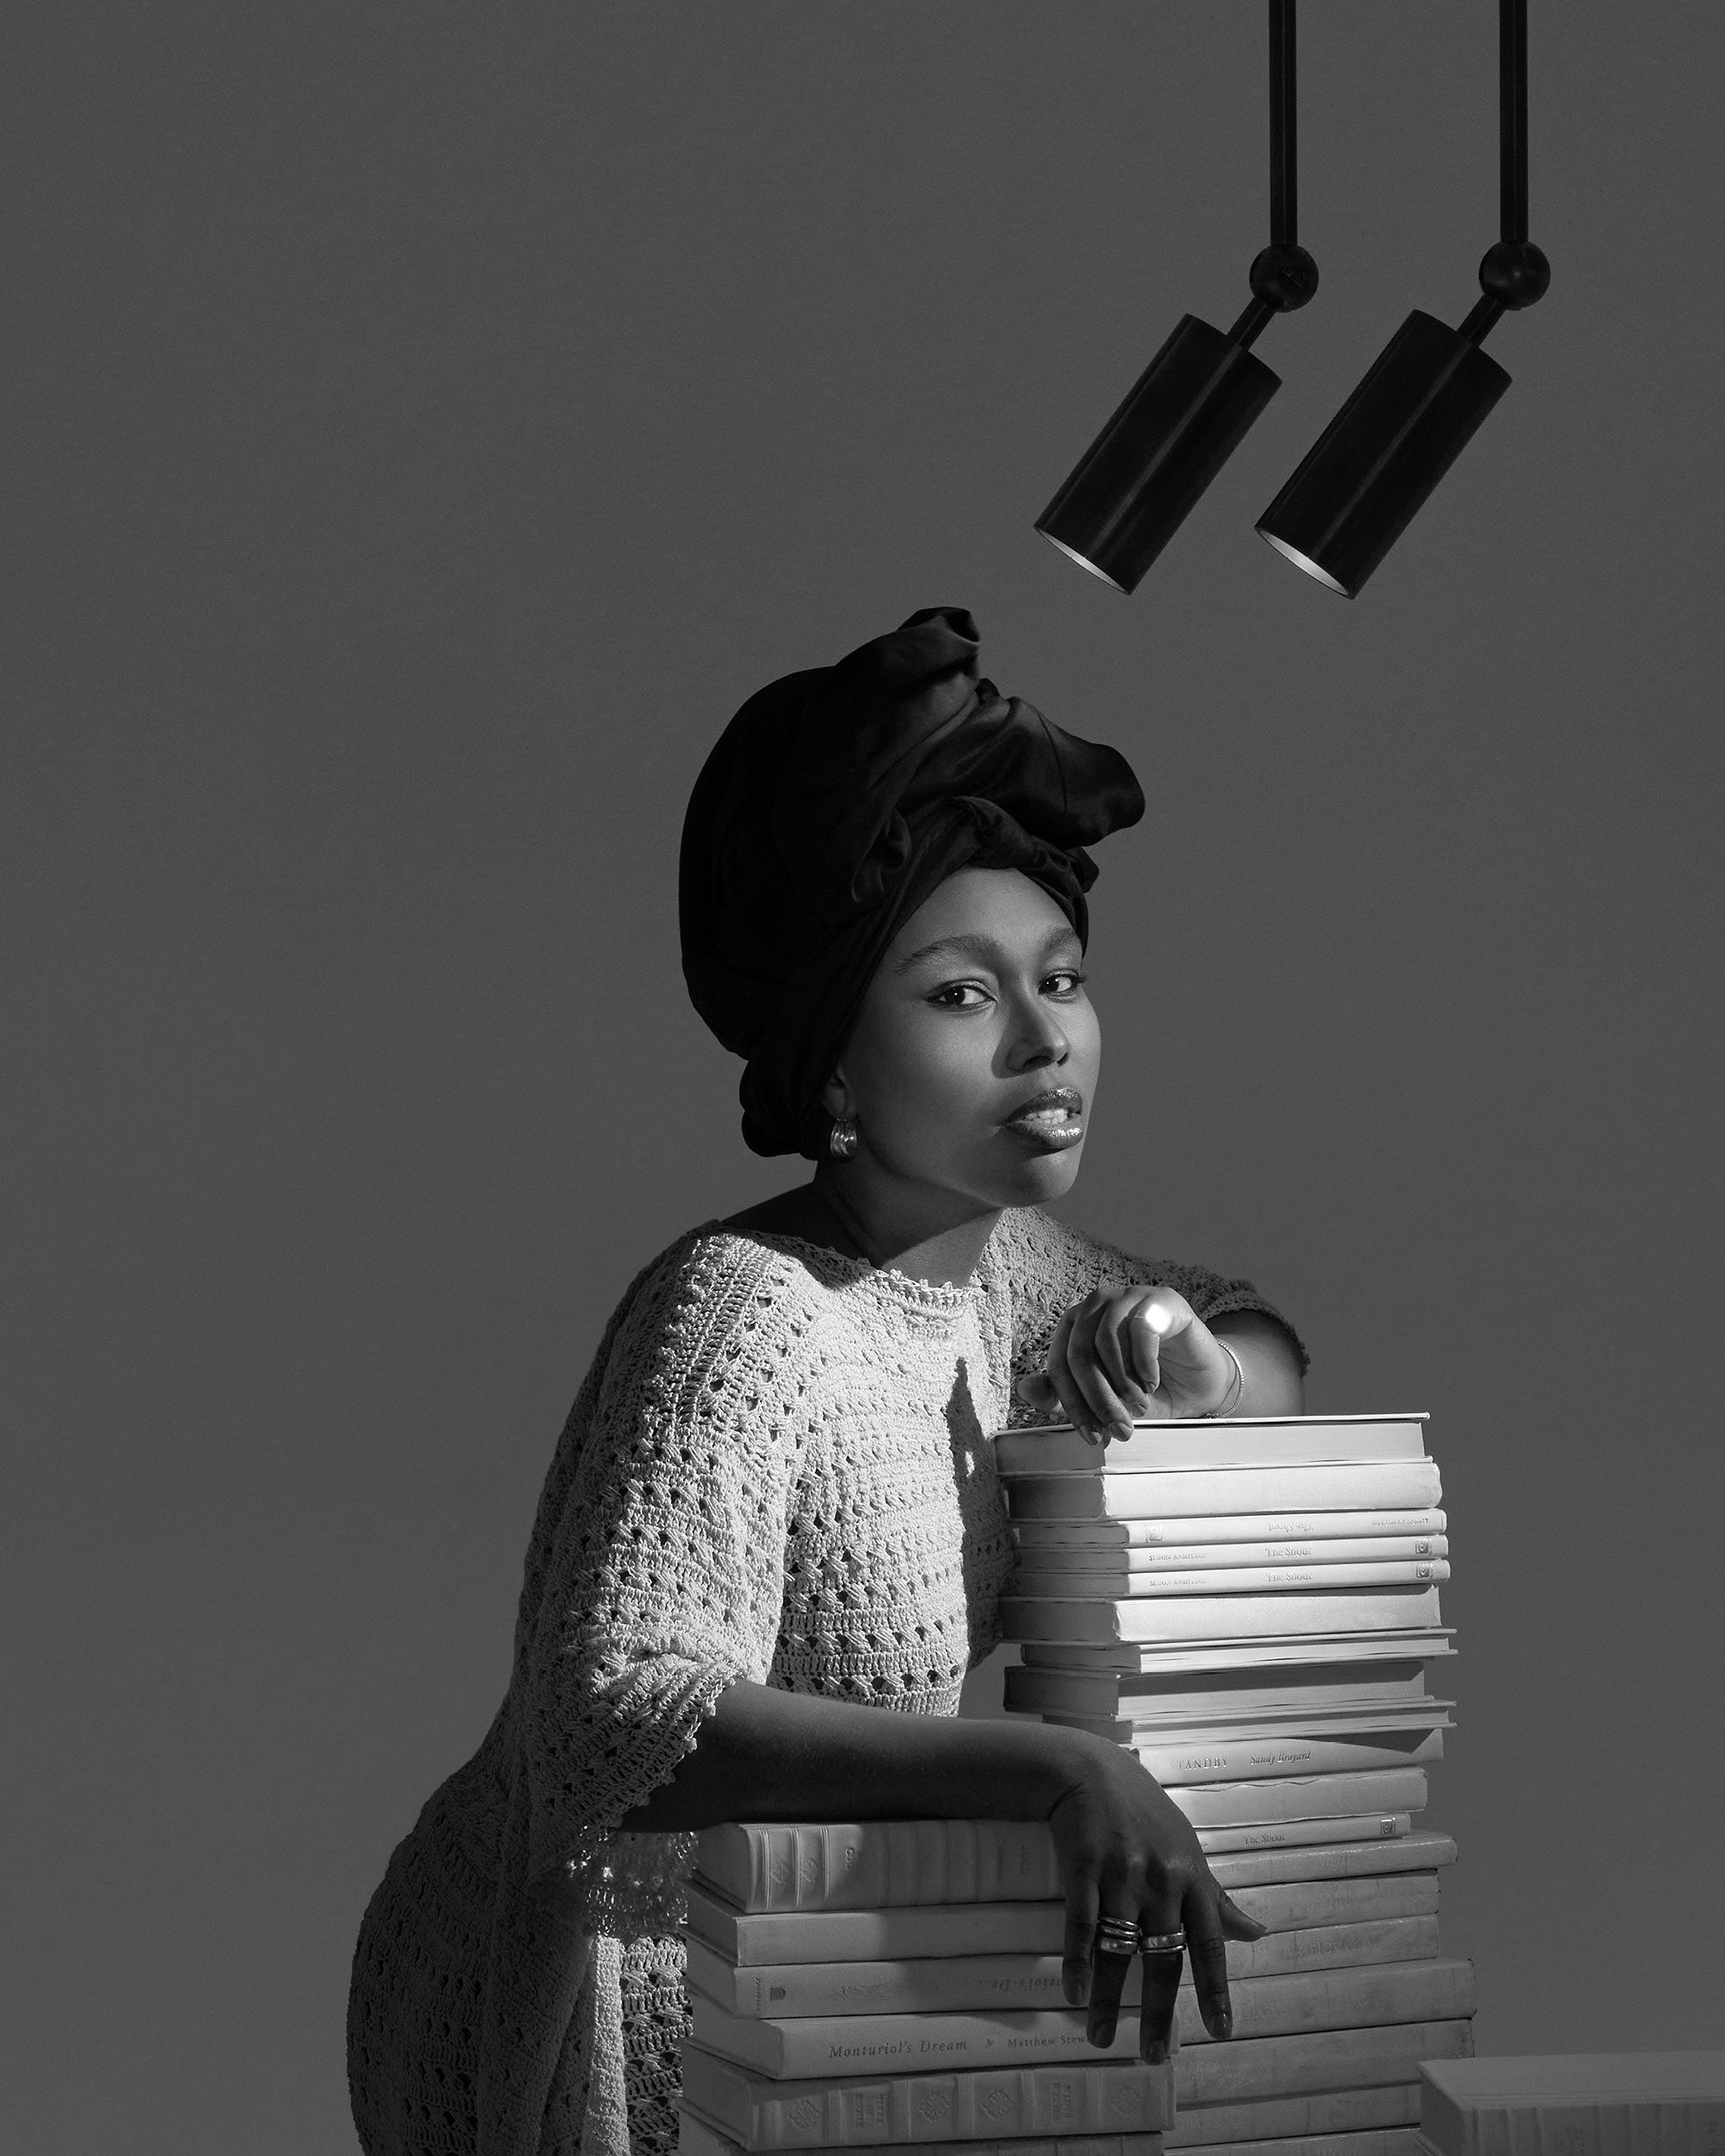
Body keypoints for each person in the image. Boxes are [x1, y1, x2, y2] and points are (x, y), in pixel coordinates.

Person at [347, 607, 1308, 2156]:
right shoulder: (749, 1312)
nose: (1043, 1041)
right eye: (959, 995)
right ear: (837, 1072)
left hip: (790, 1974)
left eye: (1060, 977)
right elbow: (613, 1719)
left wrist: (1195, 1361)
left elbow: (1255, 1338)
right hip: (579, 2001)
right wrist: (1054, 1773)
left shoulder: (1007, 1270)